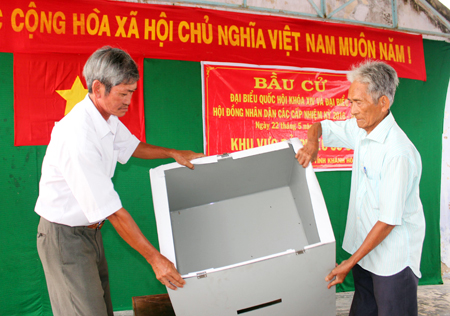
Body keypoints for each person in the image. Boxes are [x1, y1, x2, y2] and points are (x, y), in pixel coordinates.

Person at [35, 46, 204, 316]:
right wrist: (155, 259)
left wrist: (172, 153)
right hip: (64, 237)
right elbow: (112, 211)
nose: (128, 101)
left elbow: (132, 147)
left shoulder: (106, 118)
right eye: (123, 93)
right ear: (98, 87)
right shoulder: (78, 135)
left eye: (132, 93)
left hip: (90, 232)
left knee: (101, 309)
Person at [296, 60, 425, 316]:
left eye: (359, 102)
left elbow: (388, 221)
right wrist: (312, 143)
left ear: (383, 103)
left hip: (393, 261)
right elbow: (320, 126)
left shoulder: (398, 152)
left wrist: (347, 264)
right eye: (350, 101)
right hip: (365, 253)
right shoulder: (362, 130)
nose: (352, 111)